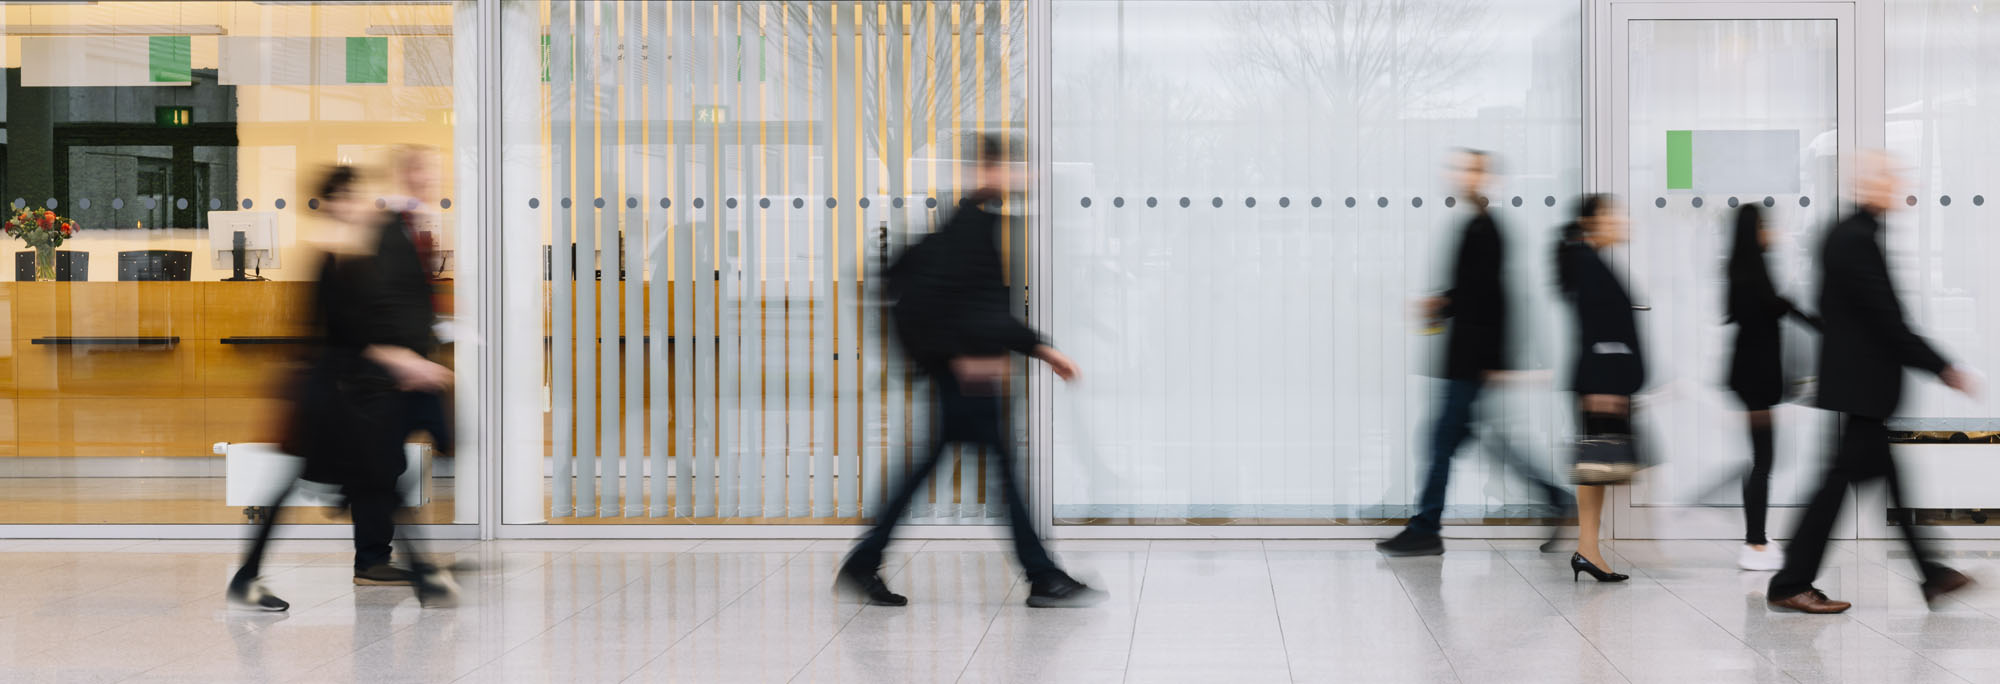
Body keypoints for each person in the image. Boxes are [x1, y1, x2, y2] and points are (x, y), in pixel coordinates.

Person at [836, 134, 1105, 608]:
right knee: (987, 474)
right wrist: (1043, 349)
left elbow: (970, 306)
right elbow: (981, 311)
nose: (1025, 177)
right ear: (989, 170)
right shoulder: (972, 227)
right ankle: (1041, 576)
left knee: (941, 471)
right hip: (969, 376)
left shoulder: (978, 223)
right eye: (1014, 167)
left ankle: (864, 563)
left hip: (965, 374)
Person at [227, 166, 458, 611]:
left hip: (343, 390)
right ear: (331, 203)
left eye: (359, 197)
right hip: (334, 395)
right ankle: (425, 577)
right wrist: (407, 362)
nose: (357, 207)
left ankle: (249, 575)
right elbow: (348, 332)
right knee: (373, 481)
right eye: (347, 198)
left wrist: (404, 360)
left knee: (377, 482)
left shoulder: (349, 255)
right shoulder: (332, 257)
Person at [1766, 152, 1977, 614]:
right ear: (1865, 185)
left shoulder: (1852, 235)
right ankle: (1790, 582)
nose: (1897, 184)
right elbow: (1884, 318)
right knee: (1836, 484)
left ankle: (1932, 573)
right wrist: (1941, 366)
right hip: (1862, 385)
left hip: (1860, 384)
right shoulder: (1854, 238)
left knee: (1880, 481)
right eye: (1887, 177)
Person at [1378, 149, 1571, 557]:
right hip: (1469, 360)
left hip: (1471, 361)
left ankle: (1426, 528)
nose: (1459, 175)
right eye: (1457, 168)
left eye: (1469, 169)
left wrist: (1486, 353)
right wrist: (1442, 303)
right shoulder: (1477, 226)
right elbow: (1476, 293)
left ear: (1485, 178)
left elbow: (1491, 298)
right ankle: (1554, 497)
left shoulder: (1485, 230)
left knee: (1441, 442)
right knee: (1476, 441)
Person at [1723, 204, 1817, 571]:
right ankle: (1755, 542)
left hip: (1752, 378)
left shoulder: (1745, 269)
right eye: (1766, 227)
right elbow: (1778, 307)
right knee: (1763, 461)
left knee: (1762, 460)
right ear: (1754, 231)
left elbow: (1778, 307)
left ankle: (1757, 537)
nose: (1772, 233)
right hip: (1755, 380)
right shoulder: (1750, 274)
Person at [1555, 194, 1638, 583]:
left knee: (1597, 468)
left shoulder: (1592, 261)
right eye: (1615, 214)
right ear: (1596, 221)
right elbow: (1594, 329)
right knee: (1595, 468)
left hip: (1602, 380)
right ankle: (1587, 548)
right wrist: (1604, 385)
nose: (1623, 220)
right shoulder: (1588, 263)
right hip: (1600, 382)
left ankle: (1588, 548)